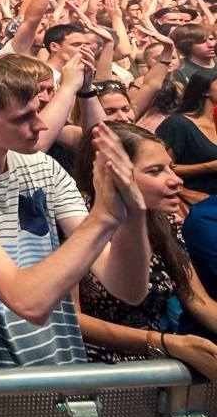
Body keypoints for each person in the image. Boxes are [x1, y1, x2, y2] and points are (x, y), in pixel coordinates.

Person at [0, 56, 151, 369]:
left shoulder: (39, 165)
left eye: (37, 112)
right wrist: (103, 217)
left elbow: (128, 288)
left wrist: (134, 213)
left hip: (60, 359)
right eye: (22, 118)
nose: (41, 125)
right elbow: (26, 301)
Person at [73, 122, 217, 378]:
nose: (176, 180)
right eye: (155, 171)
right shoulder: (75, 219)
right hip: (92, 368)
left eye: (170, 168)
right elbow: (73, 321)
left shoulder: (162, 221)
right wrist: (163, 342)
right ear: (113, 174)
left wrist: (163, 344)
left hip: (153, 362)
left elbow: (197, 300)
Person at [155, 72, 217, 195]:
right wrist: (211, 166)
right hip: (192, 203)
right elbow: (161, 168)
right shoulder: (177, 124)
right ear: (205, 91)